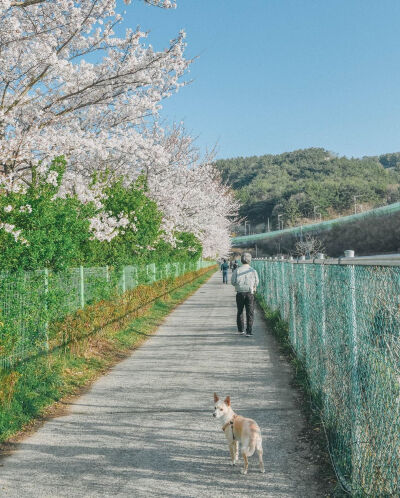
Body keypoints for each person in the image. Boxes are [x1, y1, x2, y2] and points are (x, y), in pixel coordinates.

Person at [231, 253, 259, 336]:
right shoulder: (253, 270)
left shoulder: (237, 270)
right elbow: (257, 282)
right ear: (250, 260)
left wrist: (238, 285)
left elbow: (233, 282)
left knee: (240, 311)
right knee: (250, 312)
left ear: (241, 260)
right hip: (250, 293)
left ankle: (240, 330)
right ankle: (249, 331)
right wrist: (253, 285)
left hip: (240, 293)